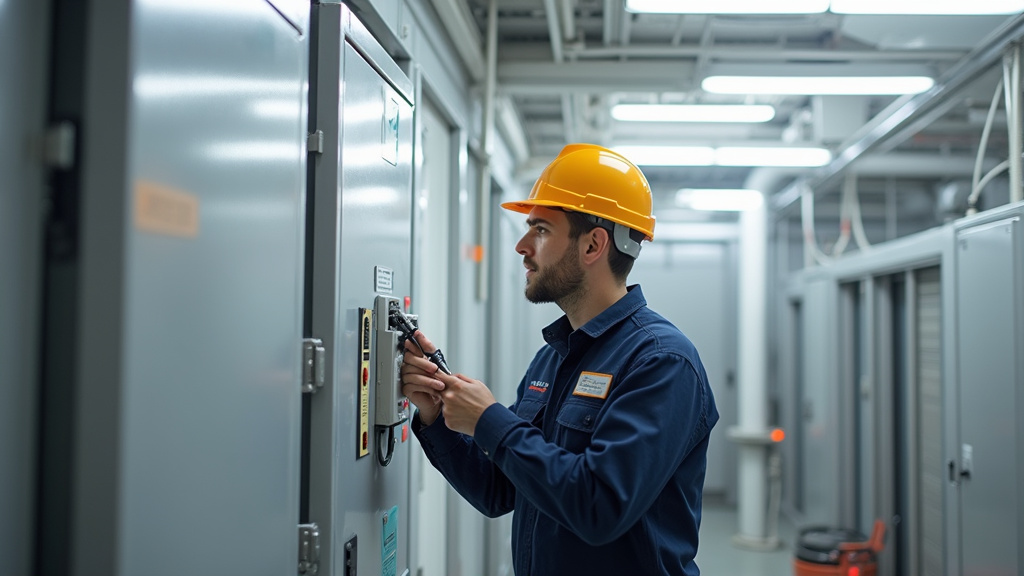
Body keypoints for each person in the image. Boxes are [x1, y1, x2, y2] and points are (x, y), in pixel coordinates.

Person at [401, 143, 719, 576]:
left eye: (541, 230)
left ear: (593, 245)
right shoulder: (553, 358)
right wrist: (437, 415)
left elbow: (599, 506)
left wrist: (489, 420)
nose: (521, 245)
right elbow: (498, 490)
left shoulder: (661, 363)